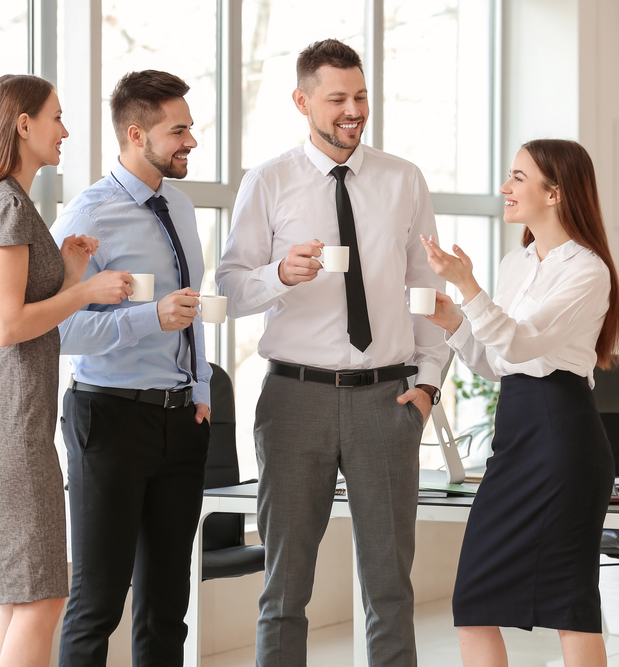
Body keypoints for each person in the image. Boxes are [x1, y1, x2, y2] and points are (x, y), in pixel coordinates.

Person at [217, 38, 449, 667]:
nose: (354, 111)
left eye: (361, 97)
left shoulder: (403, 179)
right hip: (295, 398)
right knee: (285, 585)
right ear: (302, 101)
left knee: (389, 585)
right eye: (338, 99)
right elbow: (230, 287)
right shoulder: (267, 181)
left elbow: (426, 290)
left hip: (388, 397)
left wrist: (428, 382)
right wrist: (277, 276)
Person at [0, 74, 132, 667]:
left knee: (21, 599)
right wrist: (87, 293)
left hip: (7, 420)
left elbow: (23, 311)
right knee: (42, 597)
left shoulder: (5, 202)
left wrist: (69, 271)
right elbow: (8, 326)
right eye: (56, 118)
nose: (65, 131)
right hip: (10, 426)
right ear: (23, 125)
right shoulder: (5, 204)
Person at [420, 139, 619, 667]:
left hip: (563, 439)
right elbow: (496, 363)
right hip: (515, 438)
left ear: (554, 193)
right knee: (473, 600)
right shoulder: (516, 262)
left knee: (568, 601)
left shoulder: (588, 270)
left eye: (517, 177)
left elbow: (521, 342)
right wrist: (457, 324)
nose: (504, 188)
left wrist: (469, 288)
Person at [50, 70, 212, 667]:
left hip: (180, 422)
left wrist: (200, 389)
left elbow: (191, 309)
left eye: (190, 127)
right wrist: (151, 320)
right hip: (110, 418)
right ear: (137, 134)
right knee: (98, 602)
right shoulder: (88, 214)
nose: (191, 140)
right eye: (179, 130)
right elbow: (59, 328)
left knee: (168, 606)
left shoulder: (182, 205)